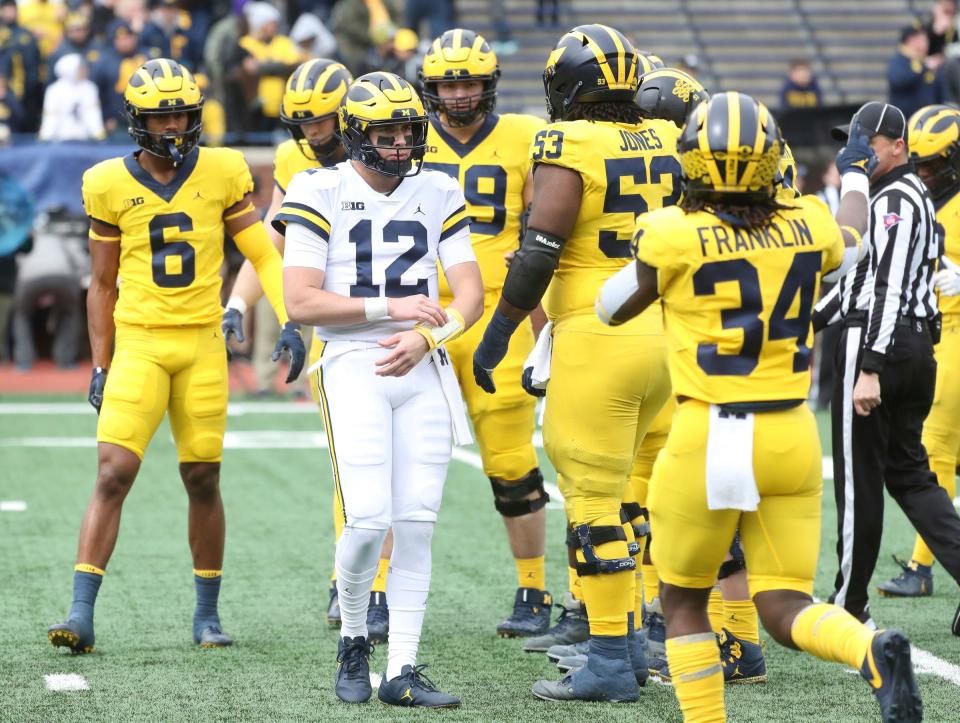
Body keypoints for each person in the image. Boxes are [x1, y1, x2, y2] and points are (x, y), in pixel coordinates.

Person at [597, 91, 923, 723]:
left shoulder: (671, 233)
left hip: (708, 432)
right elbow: (853, 233)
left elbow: (610, 307)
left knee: (684, 599)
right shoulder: (811, 223)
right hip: (790, 436)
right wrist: (854, 170)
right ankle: (868, 647)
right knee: (782, 606)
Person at [46, 58, 305, 655]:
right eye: (161, 116)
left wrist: (290, 319)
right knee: (113, 472)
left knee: (203, 477)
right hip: (139, 340)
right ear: (138, 120)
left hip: (201, 344)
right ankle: (80, 613)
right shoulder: (108, 182)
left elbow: (262, 254)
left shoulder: (221, 170)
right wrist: (101, 362)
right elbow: (102, 285)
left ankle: (206, 615)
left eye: (182, 113)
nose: (172, 126)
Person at [473, 24, 682, 702]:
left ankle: (611, 661)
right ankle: (636, 635)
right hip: (667, 335)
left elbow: (539, 250)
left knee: (593, 501)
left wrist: (501, 330)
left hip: (600, 335)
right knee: (628, 496)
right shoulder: (670, 136)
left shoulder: (568, 141)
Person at [278, 71, 483, 707]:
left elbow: (469, 294)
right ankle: (354, 640)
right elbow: (301, 300)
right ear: (355, 134)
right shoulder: (320, 187)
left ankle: (403, 668)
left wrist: (428, 338)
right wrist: (387, 310)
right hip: (353, 363)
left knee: (417, 522)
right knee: (368, 517)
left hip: (421, 364)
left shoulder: (438, 188)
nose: (399, 142)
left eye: (406, 130)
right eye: (385, 131)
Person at [221, 58, 394, 641]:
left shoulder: (391, 148)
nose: (311, 136)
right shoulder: (298, 159)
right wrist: (242, 303)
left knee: (400, 470)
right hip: (335, 327)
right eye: (302, 125)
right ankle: (356, 581)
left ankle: (383, 584)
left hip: (398, 320)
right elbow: (271, 240)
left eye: (320, 123)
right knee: (353, 463)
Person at [419, 28, 553, 638]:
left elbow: (543, 231)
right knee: (399, 459)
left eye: (469, 80)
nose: (459, 93)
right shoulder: (408, 138)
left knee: (511, 461)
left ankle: (533, 589)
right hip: (421, 312)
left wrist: (545, 326)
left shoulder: (524, 137)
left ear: (489, 83)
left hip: (500, 310)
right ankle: (372, 590)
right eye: (449, 81)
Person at [813, 101, 960, 635]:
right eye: (849, 142)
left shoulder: (894, 197)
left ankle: (849, 603)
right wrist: (810, 320)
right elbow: (862, 282)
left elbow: (884, 287)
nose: (855, 153)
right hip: (914, 345)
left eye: (867, 143)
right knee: (911, 476)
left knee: (859, 483)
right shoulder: (909, 193)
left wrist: (869, 365)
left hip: (880, 346)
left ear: (898, 145)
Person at [872, 106, 960, 613]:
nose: (923, 173)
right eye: (918, 164)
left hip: (954, 338)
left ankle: (924, 567)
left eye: (932, 165)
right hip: (935, 337)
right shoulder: (919, 199)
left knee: (935, 453)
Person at [39, 53, 105, 142]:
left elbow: (92, 114)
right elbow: (51, 117)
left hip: (85, 139)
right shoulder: (54, 90)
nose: (85, 71)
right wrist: (45, 137)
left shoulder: (90, 88)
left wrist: (99, 134)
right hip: (60, 139)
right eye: (80, 68)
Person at [888, 26, 941, 119]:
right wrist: (924, 68)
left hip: (928, 118)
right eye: (923, 40)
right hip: (905, 120)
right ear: (911, 40)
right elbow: (900, 81)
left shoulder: (923, 61)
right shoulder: (899, 61)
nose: (927, 43)